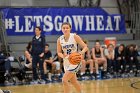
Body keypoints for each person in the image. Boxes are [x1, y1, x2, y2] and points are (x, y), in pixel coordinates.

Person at [57, 22, 88, 93]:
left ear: (70, 28)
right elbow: (59, 52)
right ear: (61, 29)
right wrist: (63, 56)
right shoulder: (59, 39)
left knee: (64, 80)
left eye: (67, 28)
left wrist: (81, 53)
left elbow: (85, 47)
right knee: (73, 81)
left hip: (75, 61)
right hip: (66, 62)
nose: (65, 29)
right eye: (63, 28)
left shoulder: (75, 36)